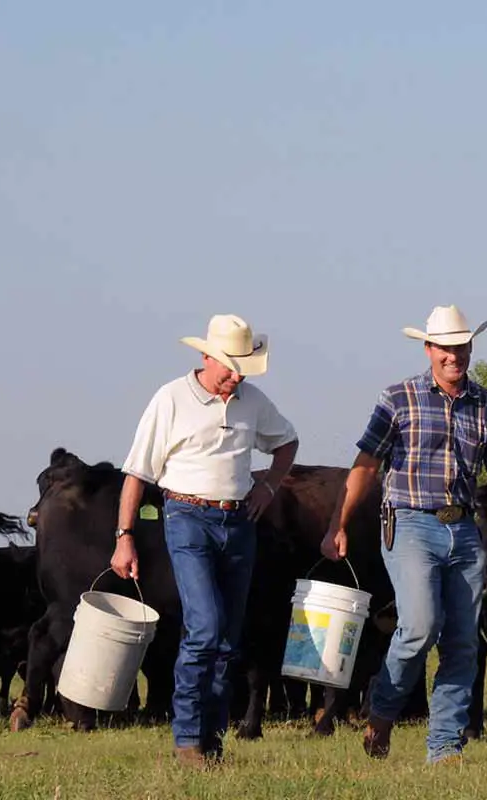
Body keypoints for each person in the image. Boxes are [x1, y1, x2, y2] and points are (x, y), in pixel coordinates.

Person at [320, 303, 487, 765]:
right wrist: (338, 523)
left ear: (470, 348)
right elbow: (365, 466)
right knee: (419, 627)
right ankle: (381, 710)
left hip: (464, 527)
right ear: (429, 348)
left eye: (461, 347)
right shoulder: (398, 398)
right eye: (445, 348)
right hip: (409, 522)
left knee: (462, 640)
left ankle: (445, 746)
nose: (454, 356)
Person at [110, 313, 298, 766]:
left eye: (243, 369)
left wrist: (268, 487)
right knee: (206, 628)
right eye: (229, 367)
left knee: (229, 639)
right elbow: (137, 473)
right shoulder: (170, 398)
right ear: (206, 356)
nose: (235, 377)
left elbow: (287, 442)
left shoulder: (253, 401)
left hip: (237, 524)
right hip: (186, 517)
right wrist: (124, 536)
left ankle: (211, 742)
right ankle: (188, 738)